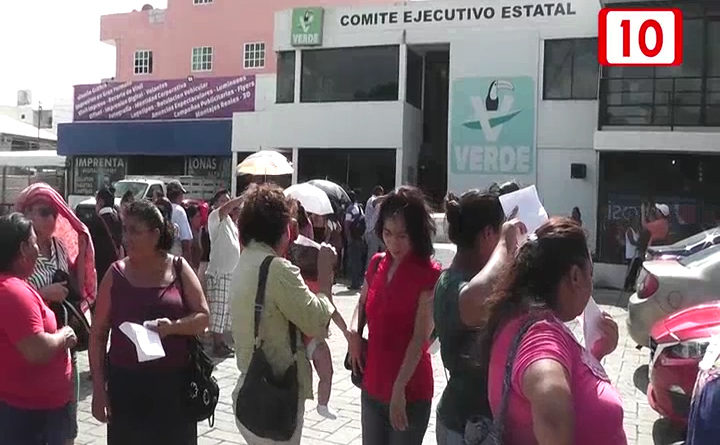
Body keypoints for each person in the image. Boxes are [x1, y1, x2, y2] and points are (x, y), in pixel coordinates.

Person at [483, 218, 626, 445]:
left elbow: (573, 388)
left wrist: (594, 356)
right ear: (575, 276)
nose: (591, 284)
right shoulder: (542, 334)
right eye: (590, 273)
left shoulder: (518, 316)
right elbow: (551, 411)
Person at [89, 200, 210, 445]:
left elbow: (203, 318)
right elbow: (98, 335)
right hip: (126, 386)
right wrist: (99, 390)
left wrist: (173, 327)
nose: (126, 238)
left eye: (135, 231)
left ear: (155, 234)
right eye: (125, 229)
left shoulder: (179, 268)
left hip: (174, 386)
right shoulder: (115, 274)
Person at [231, 183, 343, 444]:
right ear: (283, 230)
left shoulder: (245, 260)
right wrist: (325, 276)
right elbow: (316, 322)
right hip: (275, 398)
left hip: (250, 389)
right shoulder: (277, 269)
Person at [348, 186, 442, 445]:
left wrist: (399, 388)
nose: (394, 243)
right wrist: (354, 332)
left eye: (402, 235)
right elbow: (361, 303)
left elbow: (420, 337)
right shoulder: (377, 263)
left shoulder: (430, 274)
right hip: (372, 383)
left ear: (417, 233)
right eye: (388, 233)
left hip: (409, 390)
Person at [16, 183, 96, 445]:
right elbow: (10, 294)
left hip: (63, 338)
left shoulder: (60, 246)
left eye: (47, 212)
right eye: (34, 211)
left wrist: (82, 255)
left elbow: (74, 285)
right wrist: (43, 293)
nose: (35, 218)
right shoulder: (16, 253)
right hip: (31, 342)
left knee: (65, 420)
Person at [433, 190, 507, 444]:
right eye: (499, 232)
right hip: (461, 425)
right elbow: (474, 301)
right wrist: (506, 246)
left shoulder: (478, 278)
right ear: (488, 234)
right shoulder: (452, 283)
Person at [0, 213, 78, 444]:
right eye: (34, 243)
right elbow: (37, 350)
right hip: (31, 415)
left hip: (34, 410)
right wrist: (64, 335)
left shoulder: (16, 287)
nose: (38, 249)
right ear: (23, 249)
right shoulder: (13, 292)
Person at [206, 190, 242, 358]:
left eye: (228, 200)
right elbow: (226, 208)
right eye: (223, 200)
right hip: (219, 272)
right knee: (218, 310)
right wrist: (243, 198)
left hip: (230, 272)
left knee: (225, 311)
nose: (227, 203)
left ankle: (221, 343)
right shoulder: (215, 216)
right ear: (215, 203)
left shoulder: (231, 223)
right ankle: (217, 344)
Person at [89, 186, 124, 282]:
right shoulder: (119, 220)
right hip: (116, 270)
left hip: (100, 271)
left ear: (101, 202)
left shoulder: (95, 222)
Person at [166, 180, 194, 261]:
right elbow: (186, 240)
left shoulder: (161, 209)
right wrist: (187, 262)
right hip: (175, 256)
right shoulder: (179, 211)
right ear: (179, 195)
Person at [344, 191, 365, 290]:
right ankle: (358, 282)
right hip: (359, 237)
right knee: (358, 261)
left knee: (353, 260)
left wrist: (348, 237)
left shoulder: (350, 209)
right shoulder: (359, 208)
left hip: (353, 238)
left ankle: (354, 283)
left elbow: (347, 224)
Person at [364, 186, 385, 268]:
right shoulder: (372, 199)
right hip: (371, 231)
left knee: (385, 251)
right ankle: (368, 272)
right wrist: (389, 196)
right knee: (372, 255)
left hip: (377, 231)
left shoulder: (379, 203)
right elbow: (375, 201)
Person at [185, 205, 204, 271]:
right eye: (197, 216)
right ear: (191, 219)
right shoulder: (188, 234)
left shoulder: (200, 231)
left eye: (200, 216)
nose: (200, 218)